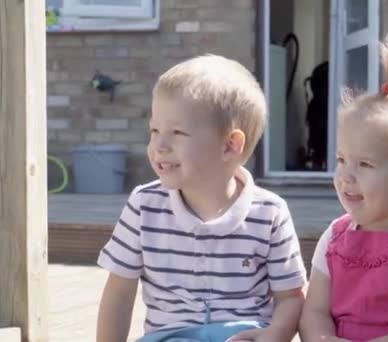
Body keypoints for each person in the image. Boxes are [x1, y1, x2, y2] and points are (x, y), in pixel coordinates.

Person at [96, 55, 307, 342]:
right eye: (154, 130)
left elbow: (291, 296)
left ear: (230, 145)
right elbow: (119, 291)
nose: (159, 145)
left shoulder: (269, 212)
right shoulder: (144, 205)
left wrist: (275, 335)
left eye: (178, 133)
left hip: (243, 335)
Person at [299, 35, 388, 342]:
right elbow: (314, 313)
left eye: (364, 164)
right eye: (341, 159)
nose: (346, 176)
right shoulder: (335, 237)